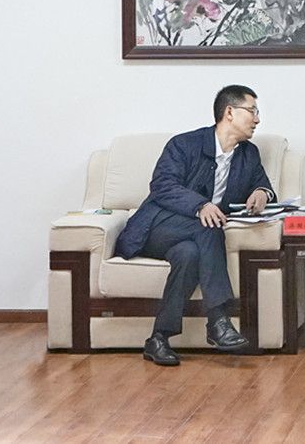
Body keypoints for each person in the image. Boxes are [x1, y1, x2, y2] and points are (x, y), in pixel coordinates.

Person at [114, 85, 275, 366]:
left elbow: (264, 185)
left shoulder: (248, 154)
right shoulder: (184, 144)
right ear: (229, 112)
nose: (257, 119)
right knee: (209, 225)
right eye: (253, 111)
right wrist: (200, 206)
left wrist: (262, 193)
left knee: (188, 255)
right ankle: (218, 320)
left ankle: (158, 339)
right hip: (156, 227)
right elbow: (162, 186)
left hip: (193, 238)